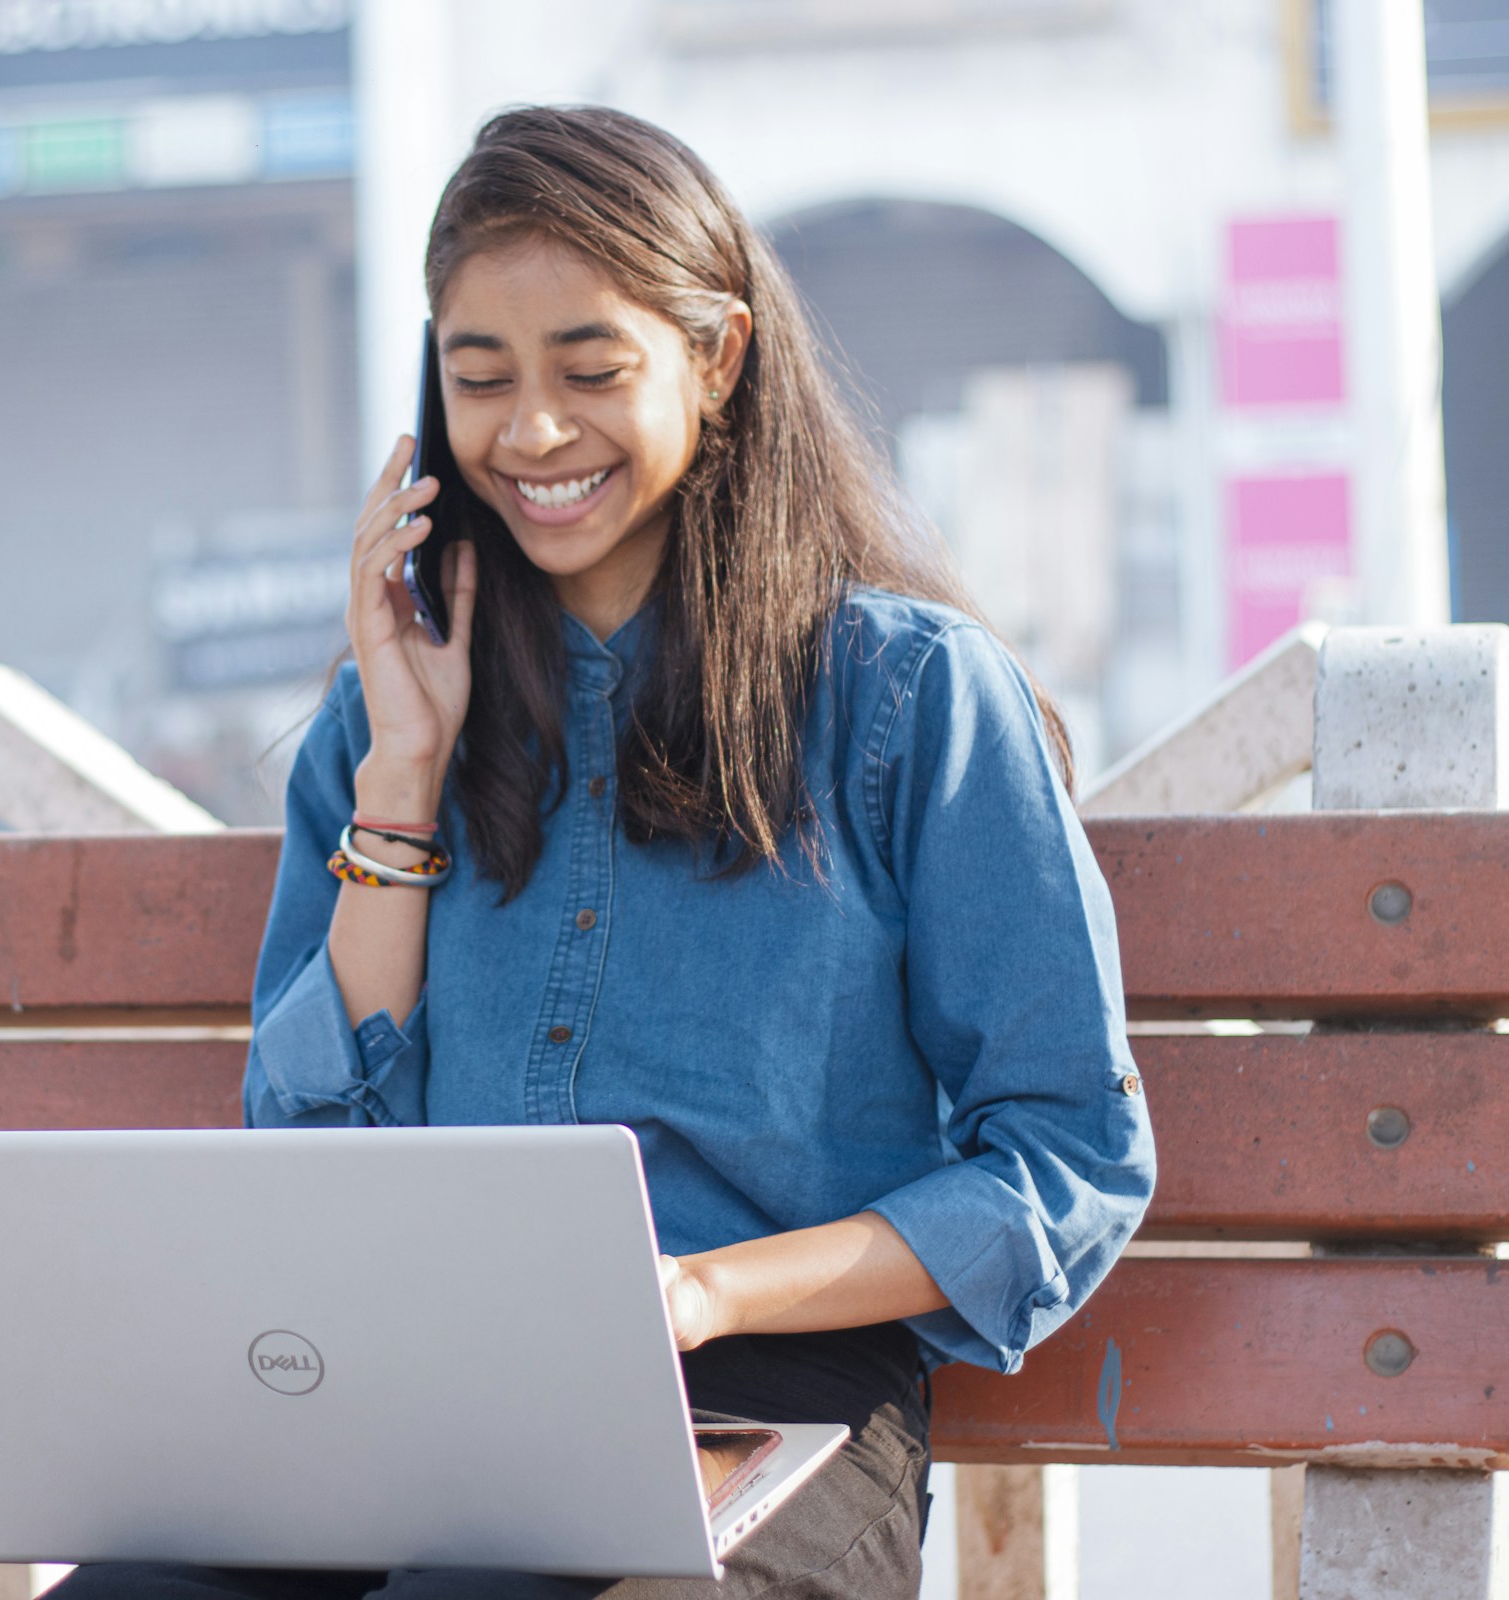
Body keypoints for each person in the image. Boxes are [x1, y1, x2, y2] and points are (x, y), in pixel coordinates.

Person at [56, 104, 1156, 1600]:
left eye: (592, 369)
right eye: (481, 378)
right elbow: (311, 1163)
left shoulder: (907, 698)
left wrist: (696, 1295)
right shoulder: (383, 721)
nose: (531, 432)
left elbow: (1069, 1154)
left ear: (716, 358)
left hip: (779, 1404)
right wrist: (403, 776)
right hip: (426, 1392)